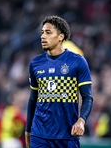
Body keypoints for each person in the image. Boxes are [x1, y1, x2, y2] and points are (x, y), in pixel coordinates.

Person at [25, 15, 93, 148]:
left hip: (67, 136)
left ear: (61, 36)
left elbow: (88, 97)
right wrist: (28, 131)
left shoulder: (77, 62)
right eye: (42, 33)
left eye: (48, 32)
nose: (43, 36)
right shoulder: (35, 64)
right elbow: (33, 100)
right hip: (39, 136)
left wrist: (81, 120)